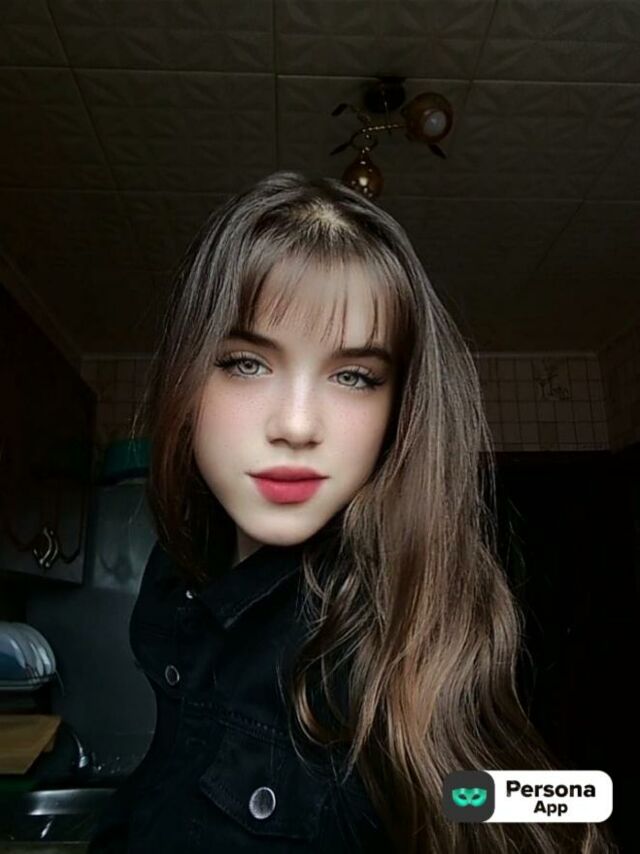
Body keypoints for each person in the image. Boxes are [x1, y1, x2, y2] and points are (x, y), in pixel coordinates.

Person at [88, 170, 618, 853]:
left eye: (353, 376)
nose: (297, 425)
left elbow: (544, 802)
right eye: (247, 363)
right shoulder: (176, 573)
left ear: (398, 410)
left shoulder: (393, 643)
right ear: (188, 375)